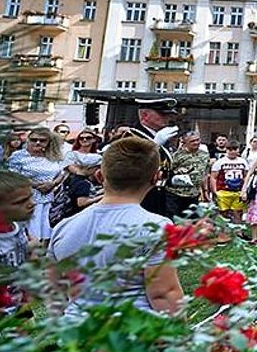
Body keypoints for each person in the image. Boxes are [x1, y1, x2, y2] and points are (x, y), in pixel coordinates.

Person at [48, 137, 185, 316]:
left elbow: (53, 292)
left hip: (76, 335)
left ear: (99, 176)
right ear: (155, 178)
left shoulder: (63, 228)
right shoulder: (157, 228)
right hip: (133, 336)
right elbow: (164, 295)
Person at [114, 97, 181, 216]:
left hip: (160, 194)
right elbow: (129, 166)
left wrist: (173, 178)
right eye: (162, 114)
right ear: (145, 115)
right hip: (138, 195)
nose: (168, 118)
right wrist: (154, 145)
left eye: (168, 114)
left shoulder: (160, 136)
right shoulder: (130, 137)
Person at [7, 127, 66, 242]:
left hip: (48, 198)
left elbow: (62, 173)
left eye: (42, 140)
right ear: (28, 140)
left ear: (49, 142)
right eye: (34, 140)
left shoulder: (54, 155)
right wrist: (36, 185)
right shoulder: (18, 156)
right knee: (28, 232)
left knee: (44, 232)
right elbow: (13, 176)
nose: (38, 143)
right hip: (26, 198)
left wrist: (52, 184)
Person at [0, 170, 35, 314]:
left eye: (31, 197)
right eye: (20, 202)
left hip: (17, 303)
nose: (32, 204)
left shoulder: (18, 226)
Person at [165, 131, 210, 217]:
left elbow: (204, 173)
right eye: (192, 141)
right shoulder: (177, 156)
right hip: (176, 194)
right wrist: (177, 172)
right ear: (185, 143)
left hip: (194, 194)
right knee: (175, 220)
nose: (196, 143)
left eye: (197, 140)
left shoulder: (204, 155)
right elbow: (167, 172)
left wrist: (205, 191)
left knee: (192, 221)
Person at [210, 140, 250, 223]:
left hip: (238, 191)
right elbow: (213, 177)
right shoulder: (220, 162)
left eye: (235, 149)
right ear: (226, 150)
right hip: (223, 191)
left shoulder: (243, 161)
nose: (232, 152)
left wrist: (245, 189)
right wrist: (215, 191)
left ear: (239, 150)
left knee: (238, 212)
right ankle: (222, 233)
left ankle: (239, 232)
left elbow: (246, 176)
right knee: (223, 213)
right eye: (230, 149)